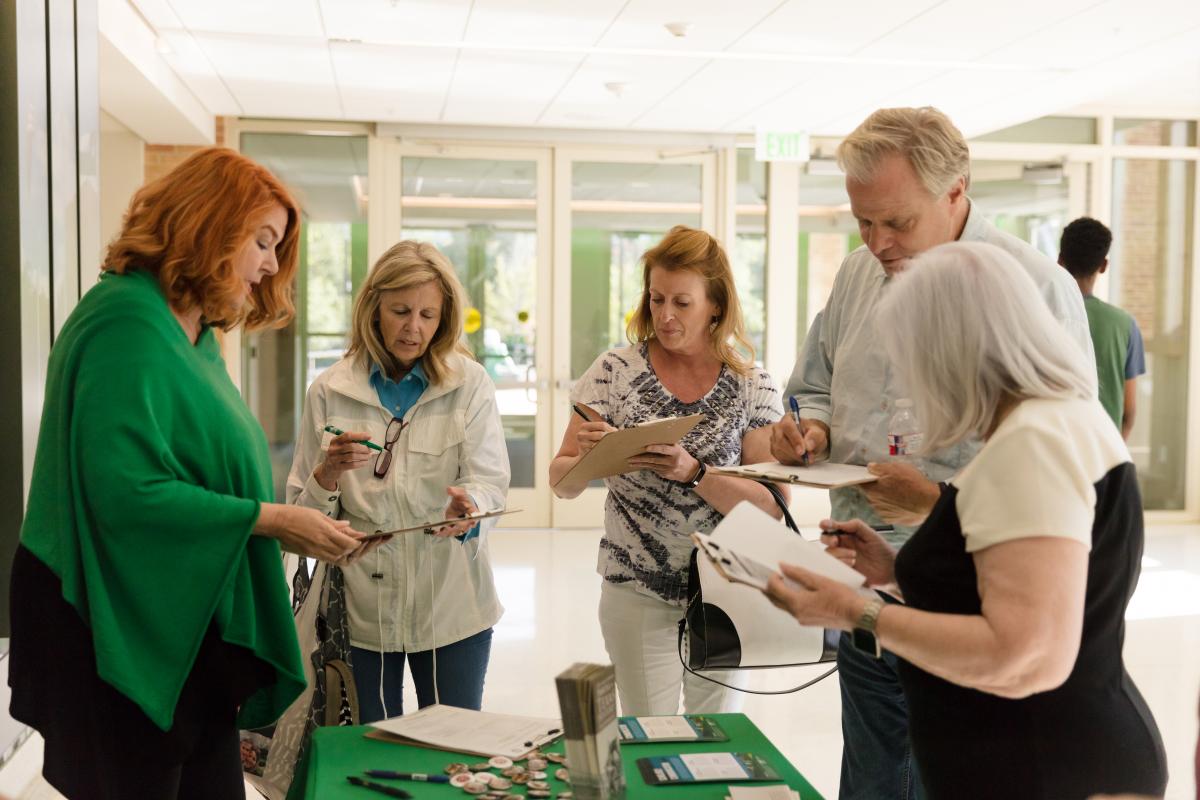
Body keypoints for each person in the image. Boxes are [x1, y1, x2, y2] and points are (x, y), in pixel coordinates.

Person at [8, 148, 373, 800]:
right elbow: (123, 492)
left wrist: (277, 526)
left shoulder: (196, 335)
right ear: (209, 223)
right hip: (114, 618)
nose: (268, 265)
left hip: (180, 613)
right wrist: (267, 519)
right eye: (262, 242)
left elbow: (200, 470)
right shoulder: (125, 319)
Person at [757, 107, 1096, 800]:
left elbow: (1071, 469)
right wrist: (811, 429)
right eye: (863, 222)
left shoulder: (1034, 289)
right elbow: (815, 385)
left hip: (972, 610)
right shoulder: (858, 274)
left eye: (897, 223)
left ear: (955, 192)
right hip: (866, 576)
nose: (878, 243)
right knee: (874, 783)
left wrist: (935, 504)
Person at [765, 241, 1167, 800]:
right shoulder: (1061, 418)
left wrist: (857, 610)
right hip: (1057, 749)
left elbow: (1023, 654)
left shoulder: (1033, 442)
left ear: (952, 351)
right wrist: (898, 571)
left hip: (1044, 764)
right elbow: (1027, 585)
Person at [550, 225, 784, 715]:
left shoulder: (751, 385)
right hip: (635, 589)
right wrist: (592, 458)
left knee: (714, 737)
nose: (665, 315)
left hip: (724, 590)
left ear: (715, 305)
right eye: (657, 299)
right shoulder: (614, 370)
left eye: (682, 302)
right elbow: (561, 483)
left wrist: (696, 472)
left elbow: (771, 508)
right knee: (648, 737)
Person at [287, 240, 510, 723]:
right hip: (363, 609)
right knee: (371, 747)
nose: (414, 328)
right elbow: (301, 516)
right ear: (374, 309)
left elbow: (491, 481)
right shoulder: (330, 390)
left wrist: (469, 507)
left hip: (454, 604)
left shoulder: (469, 384)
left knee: (454, 746)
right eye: (401, 311)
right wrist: (327, 474)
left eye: (428, 315)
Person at [1058, 217, 1146, 440]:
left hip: (1055, 449)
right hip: (1105, 453)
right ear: (1104, 265)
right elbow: (1129, 412)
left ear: (1060, 260)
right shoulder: (1125, 325)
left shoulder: (1041, 315)